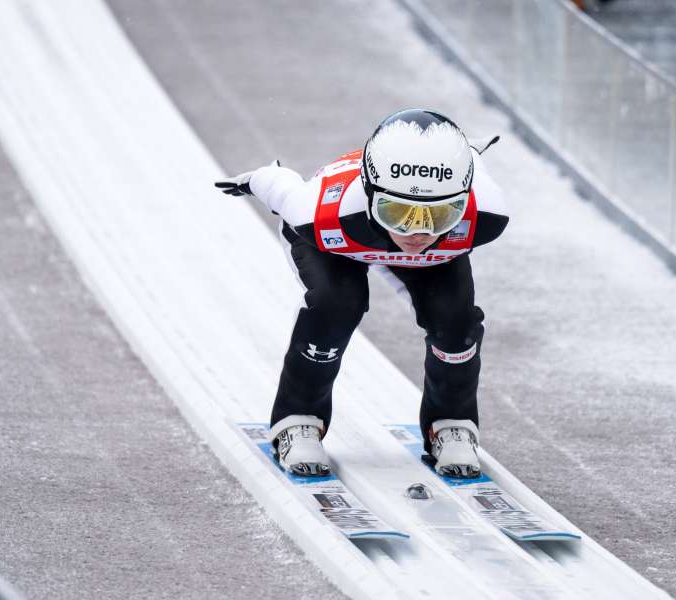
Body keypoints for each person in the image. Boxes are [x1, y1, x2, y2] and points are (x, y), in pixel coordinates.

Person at [215, 109, 508, 478]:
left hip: (386, 239)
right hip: (338, 243)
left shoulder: (487, 212)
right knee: (336, 306)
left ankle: (451, 422)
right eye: (397, 211)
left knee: (457, 322)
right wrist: (260, 177)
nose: (416, 232)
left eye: (440, 214)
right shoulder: (318, 212)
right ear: (370, 193)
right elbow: (278, 184)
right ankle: (297, 419)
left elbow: (471, 163)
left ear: (463, 200)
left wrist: (466, 153)